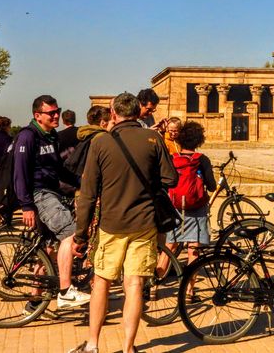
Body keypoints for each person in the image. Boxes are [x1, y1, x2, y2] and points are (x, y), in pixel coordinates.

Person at [70, 92, 178, 353]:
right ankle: (128, 347)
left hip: (111, 224)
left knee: (102, 282)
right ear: (138, 111)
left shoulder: (101, 142)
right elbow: (171, 179)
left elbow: (88, 194)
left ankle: (93, 344)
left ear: (113, 112)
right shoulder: (153, 138)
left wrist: (80, 235)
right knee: (135, 284)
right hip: (144, 223)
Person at [13, 95, 88, 309]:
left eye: (58, 111)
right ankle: (65, 291)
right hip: (40, 194)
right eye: (51, 113)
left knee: (49, 250)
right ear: (38, 115)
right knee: (70, 234)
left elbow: (58, 168)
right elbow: (19, 173)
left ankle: (34, 300)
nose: (56, 115)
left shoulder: (52, 136)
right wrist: (26, 205)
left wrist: (80, 182)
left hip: (53, 192)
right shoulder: (28, 136)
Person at [159, 121, 215, 295]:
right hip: (197, 209)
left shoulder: (172, 159)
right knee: (193, 249)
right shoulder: (202, 160)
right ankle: (190, 291)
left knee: (170, 247)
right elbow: (212, 186)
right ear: (199, 140)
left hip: (175, 208)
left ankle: (154, 285)